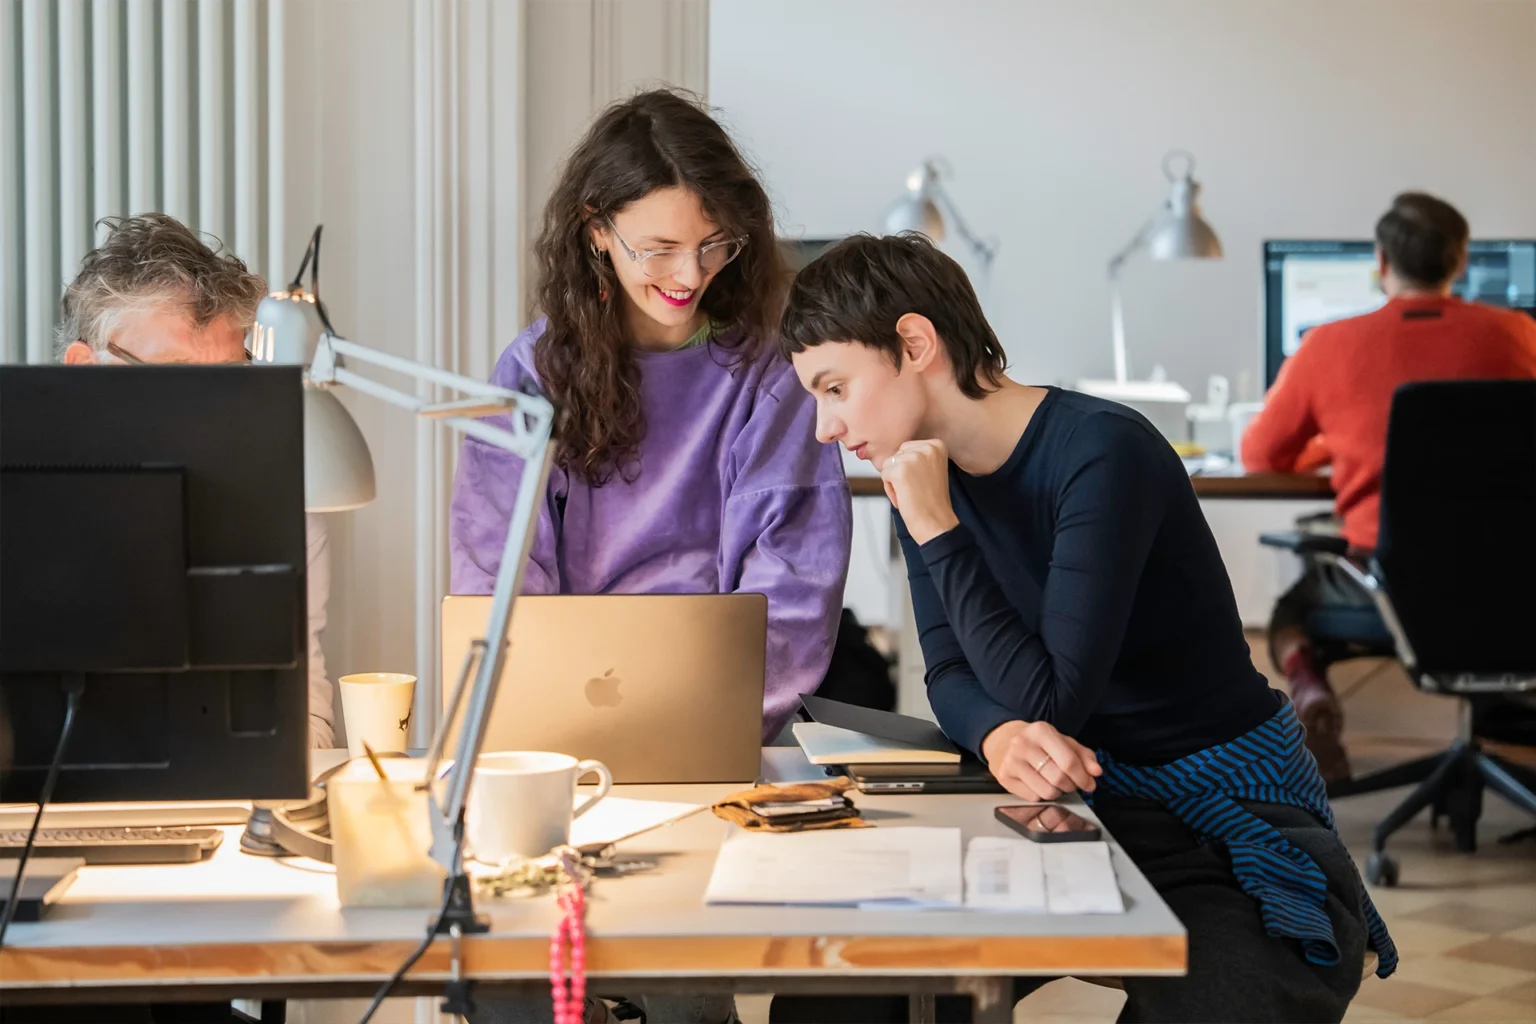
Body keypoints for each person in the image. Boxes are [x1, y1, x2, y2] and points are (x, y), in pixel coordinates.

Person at [775, 233, 1396, 1024]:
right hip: (1060, 808)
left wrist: (936, 528)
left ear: (915, 343)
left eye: (834, 387)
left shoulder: (1103, 453)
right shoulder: (921, 476)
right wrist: (999, 736)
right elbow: (950, 676)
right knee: (837, 1004)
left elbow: (1053, 699)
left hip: (1209, 820)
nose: (825, 427)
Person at [451, 89, 849, 1024]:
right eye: (658, 247)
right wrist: (543, 732)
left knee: (682, 985)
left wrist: (706, 729)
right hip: (550, 738)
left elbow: (792, 587)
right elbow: (495, 574)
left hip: (716, 742)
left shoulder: (765, 372)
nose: (690, 272)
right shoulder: (532, 370)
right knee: (511, 981)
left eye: (713, 245)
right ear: (596, 231)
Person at [1243, 192, 1536, 781]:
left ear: (1380, 262)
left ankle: (1307, 693)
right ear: (1460, 261)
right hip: (1516, 589)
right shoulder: (1519, 334)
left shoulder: (1329, 345)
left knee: (1291, 611)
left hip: (1389, 589)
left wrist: (1337, 443)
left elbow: (1260, 454)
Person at [58, 213, 339, 749]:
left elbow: (303, 699)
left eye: (230, 382)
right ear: (84, 368)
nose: (208, 416)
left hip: (223, 811)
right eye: (176, 380)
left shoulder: (282, 505)